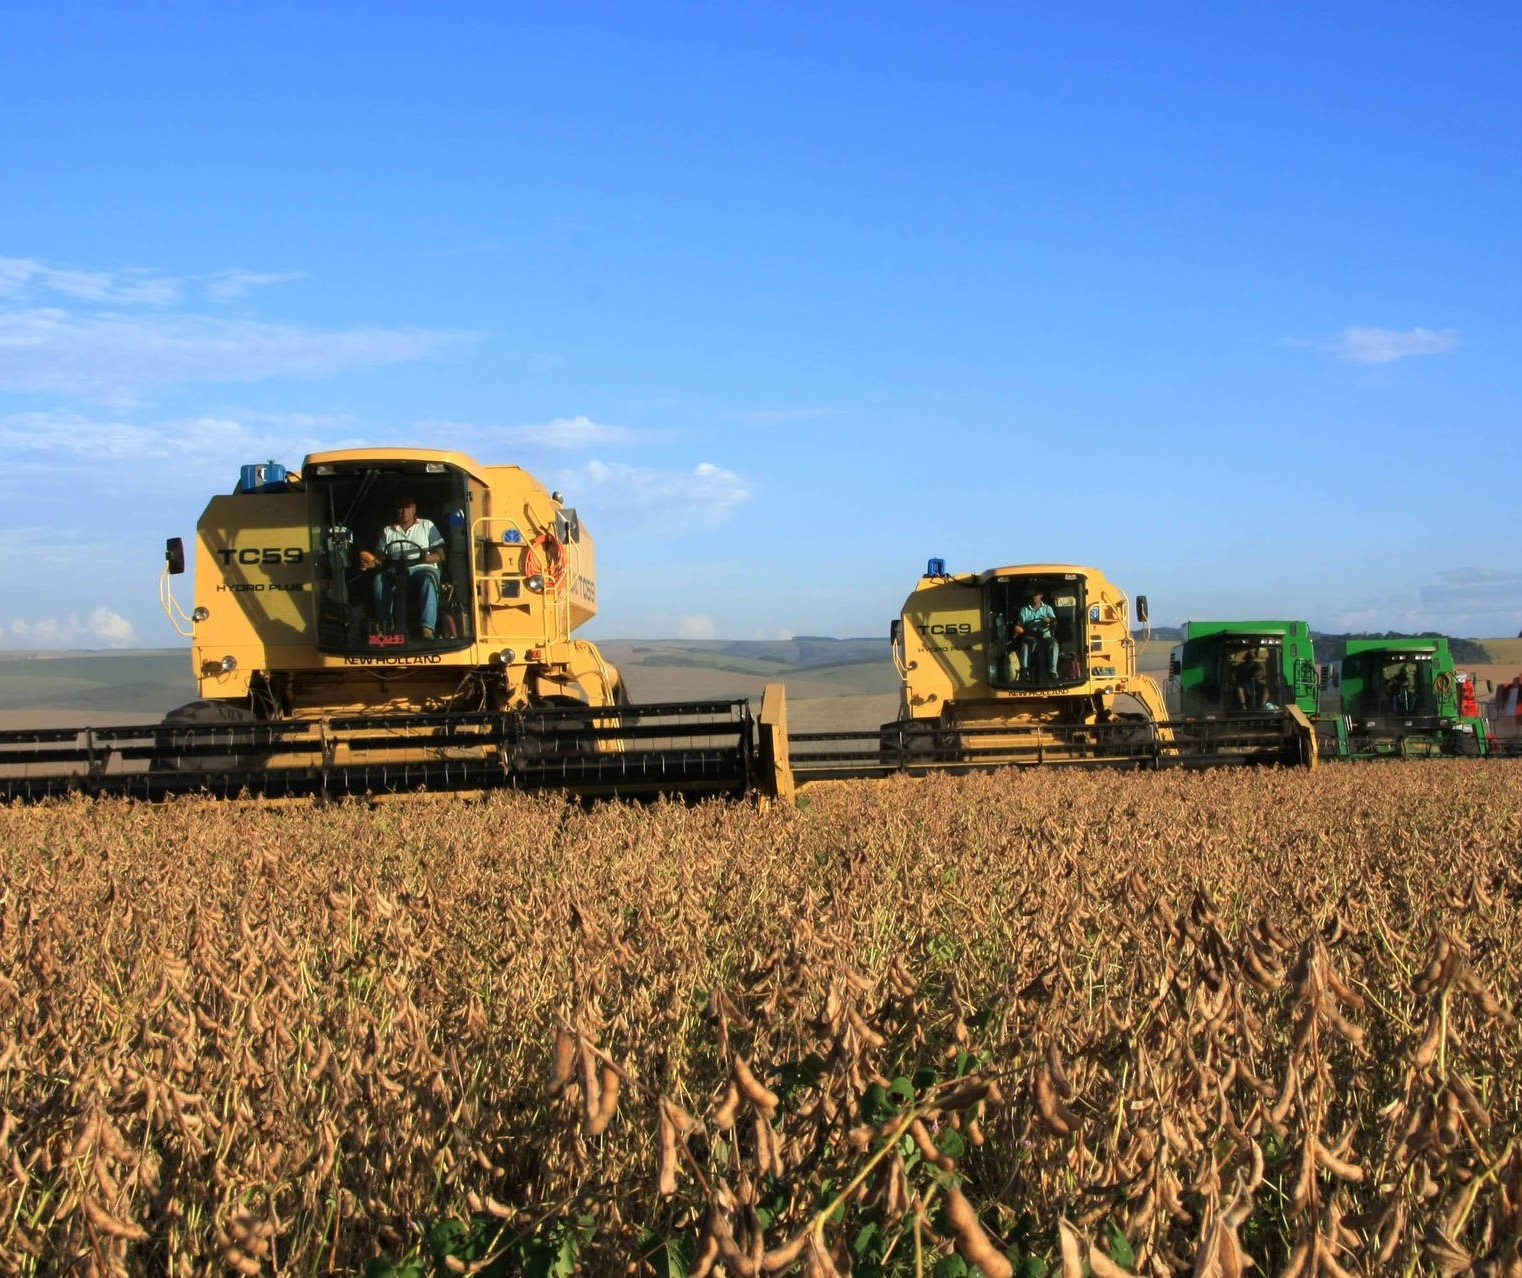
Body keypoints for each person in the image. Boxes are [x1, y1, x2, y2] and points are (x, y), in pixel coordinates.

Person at [359, 495, 445, 639]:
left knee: (429, 580)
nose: (404, 512)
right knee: (379, 580)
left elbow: (441, 555)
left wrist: (425, 558)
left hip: (422, 567)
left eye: (408, 507)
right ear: (396, 510)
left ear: (414, 508)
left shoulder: (427, 525)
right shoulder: (387, 531)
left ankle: (427, 628)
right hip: (396, 569)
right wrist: (370, 562)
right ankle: (386, 624)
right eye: (401, 508)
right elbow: (380, 557)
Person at [1015, 589, 1059, 681]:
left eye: (1036, 595)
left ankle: (1053, 672)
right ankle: (1024, 671)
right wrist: (1018, 628)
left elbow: (1055, 622)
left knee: (1054, 645)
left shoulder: (1048, 608)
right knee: (1025, 645)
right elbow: (1020, 624)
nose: (1034, 597)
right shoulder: (1024, 610)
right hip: (1031, 637)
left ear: (1041, 595)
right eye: (1032, 595)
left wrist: (1049, 620)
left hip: (1045, 636)